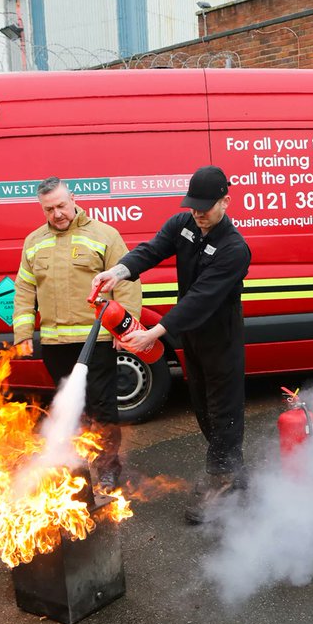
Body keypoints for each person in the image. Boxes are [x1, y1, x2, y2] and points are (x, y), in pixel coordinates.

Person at [91, 165, 252, 524]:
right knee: (203, 409)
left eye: (205, 207)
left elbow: (199, 298)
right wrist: (117, 271)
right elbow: (151, 250)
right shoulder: (185, 224)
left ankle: (223, 480)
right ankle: (233, 475)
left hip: (221, 341)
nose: (198, 213)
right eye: (193, 205)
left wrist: (154, 332)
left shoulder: (235, 249)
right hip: (193, 339)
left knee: (224, 412)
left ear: (226, 201)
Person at [13, 176, 140, 488]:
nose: (56, 213)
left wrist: (126, 331)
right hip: (56, 344)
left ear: (72, 199)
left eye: (60, 205)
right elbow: (24, 290)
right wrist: (24, 333)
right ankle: (76, 468)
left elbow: (127, 283)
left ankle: (109, 467)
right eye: (48, 209)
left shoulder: (104, 235)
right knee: (71, 411)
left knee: (103, 407)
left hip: (95, 340)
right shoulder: (34, 242)